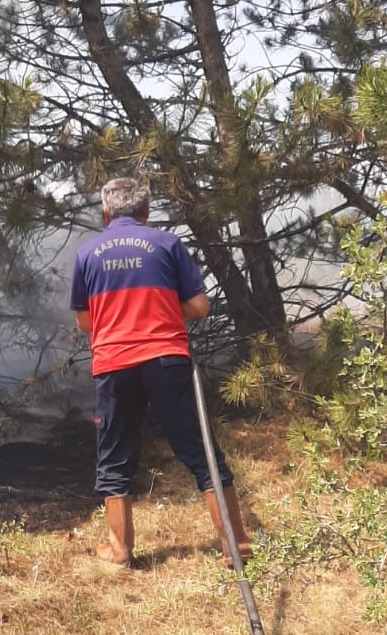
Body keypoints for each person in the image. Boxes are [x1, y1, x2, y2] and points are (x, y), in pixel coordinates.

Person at [70, 176, 253, 568]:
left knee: (114, 456)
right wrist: (163, 308)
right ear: (145, 211)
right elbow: (201, 307)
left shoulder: (87, 254)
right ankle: (235, 544)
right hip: (165, 359)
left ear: (105, 214)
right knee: (200, 450)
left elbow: (86, 323)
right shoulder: (167, 244)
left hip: (114, 364)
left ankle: (120, 551)